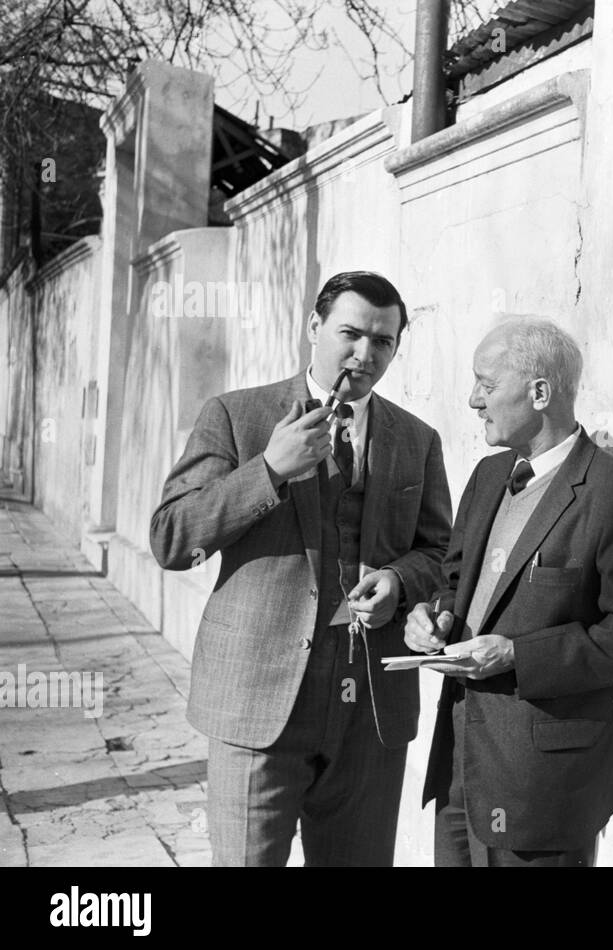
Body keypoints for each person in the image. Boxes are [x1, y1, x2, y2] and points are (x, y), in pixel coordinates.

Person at [150, 270, 453, 866]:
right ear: (314, 326)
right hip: (257, 705)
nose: (364, 354)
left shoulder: (417, 440)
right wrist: (268, 469)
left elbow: (441, 555)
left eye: (384, 342)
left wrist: (398, 582)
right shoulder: (237, 416)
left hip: (370, 710)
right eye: (350, 333)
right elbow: (171, 537)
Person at [405, 316, 613, 867]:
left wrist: (518, 655)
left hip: (546, 788)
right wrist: (431, 617)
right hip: (459, 768)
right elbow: (456, 585)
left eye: (486, 383)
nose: (473, 399)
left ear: (540, 392)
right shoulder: (486, 477)